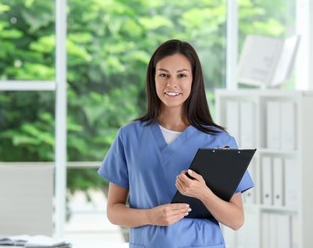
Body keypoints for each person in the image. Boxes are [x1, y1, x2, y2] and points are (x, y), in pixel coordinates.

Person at [97, 39, 254, 247]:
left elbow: (236, 220)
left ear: (194, 79)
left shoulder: (219, 141)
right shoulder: (129, 137)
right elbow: (113, 211)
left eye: (181, 75)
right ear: (153, 78)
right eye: (163, 74)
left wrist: (203, 193)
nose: (171, 84)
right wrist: (151, 216)